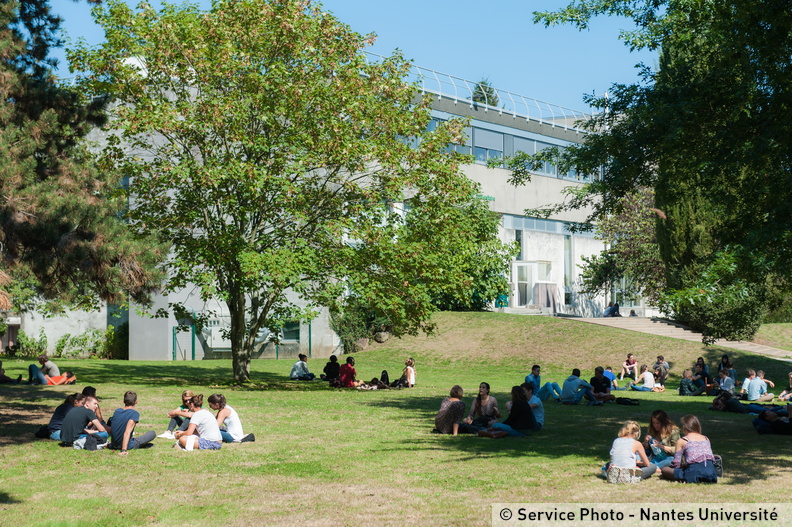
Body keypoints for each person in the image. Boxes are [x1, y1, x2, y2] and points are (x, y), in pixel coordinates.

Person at [661, 414, 718, 483]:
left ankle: (682, 478)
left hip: (694, 473)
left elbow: (676, 464)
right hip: (711, 474)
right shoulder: (706, 438)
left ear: (684, 427)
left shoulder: (682, 441)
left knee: (664, 470)